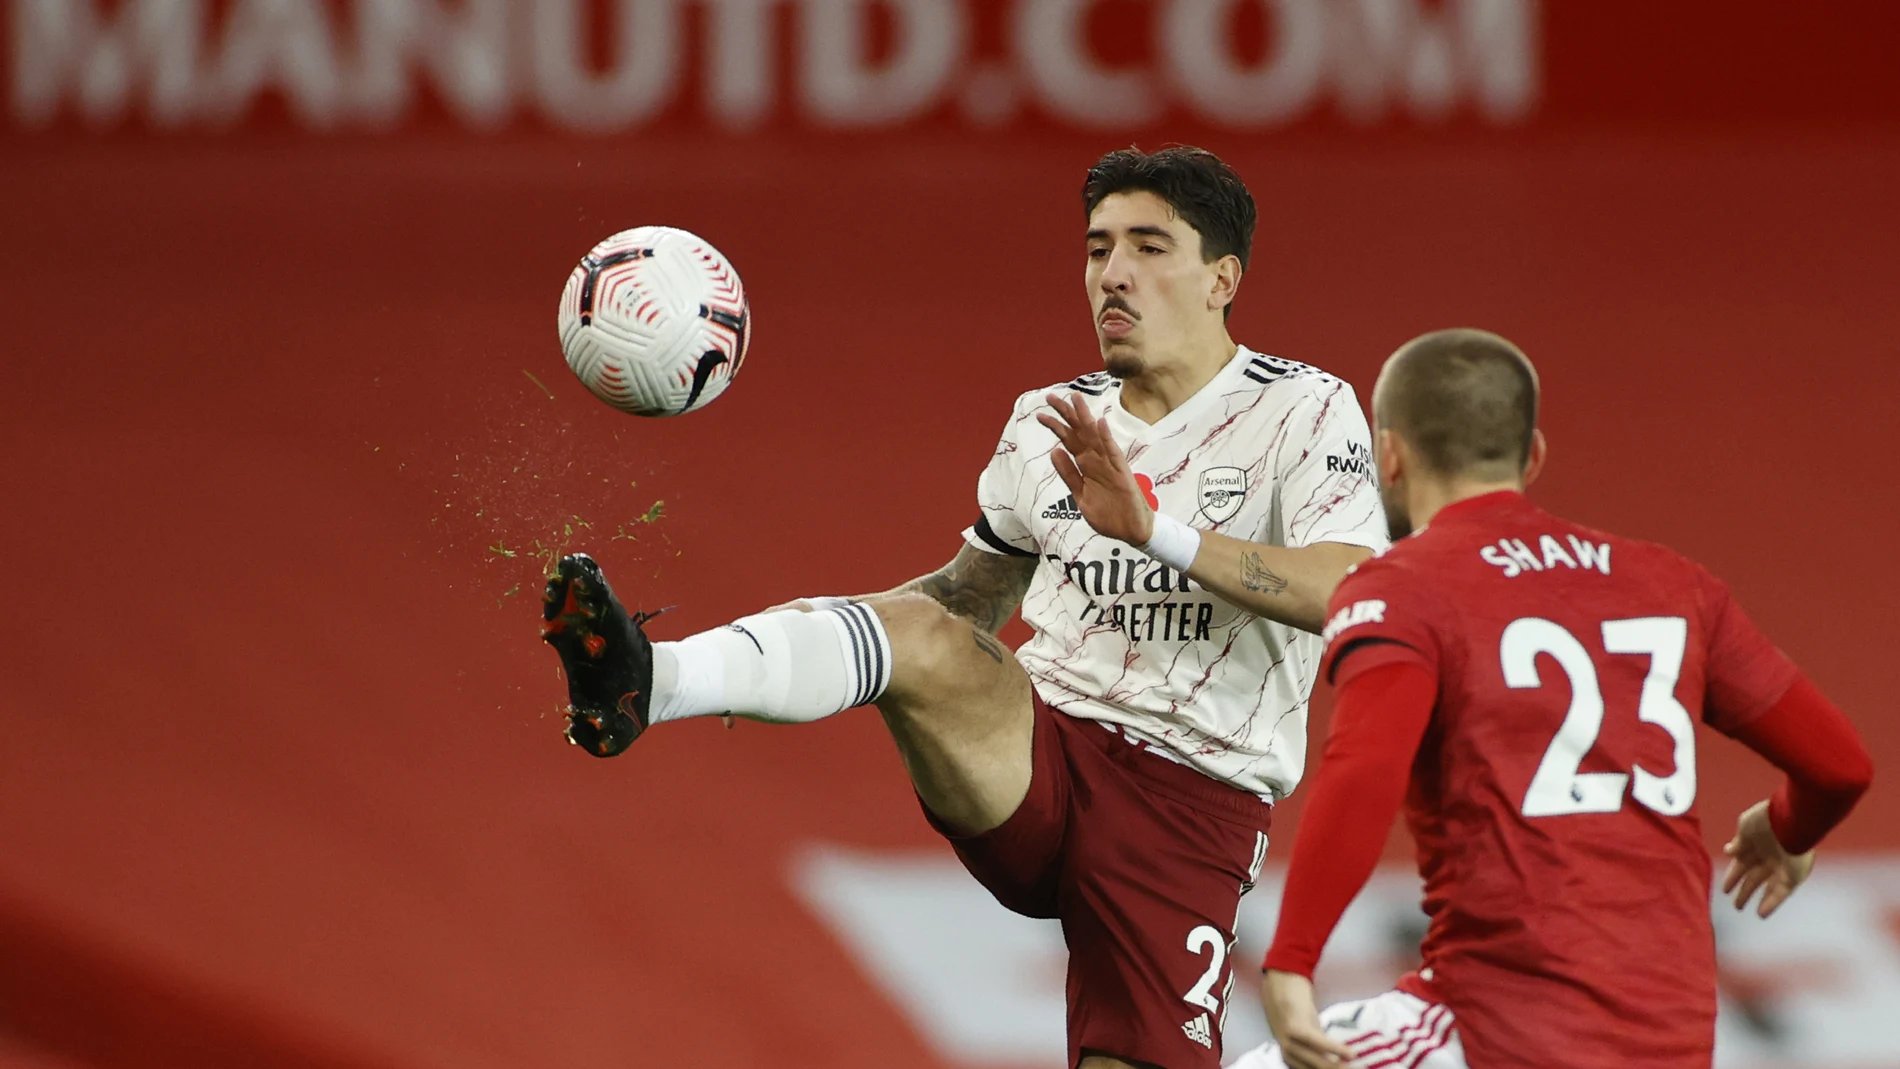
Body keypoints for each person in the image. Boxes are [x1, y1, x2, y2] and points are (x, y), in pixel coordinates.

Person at [538, 146, 1388, 1069]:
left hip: (1191, 803)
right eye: (1099, 248)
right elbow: (971, 597)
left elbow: (1347, 590)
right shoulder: (1049, 419)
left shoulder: (1305, 409)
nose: (1114, 273)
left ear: (1223, 277)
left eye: (1149, 247)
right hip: (1042, 751)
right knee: (919, 633)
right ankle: (647, 682)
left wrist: (1155, 531)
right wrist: (831, 646)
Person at [1228, 329, 1875, 1069]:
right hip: (1671, 1041)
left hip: (1494, 1028)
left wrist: (1292, 960)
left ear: (1391, 456)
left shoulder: (1404, 586)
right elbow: (1840, 765)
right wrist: (1788, 829)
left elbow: (1362, 769)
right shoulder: (1673, 585)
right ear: (1532, 455)